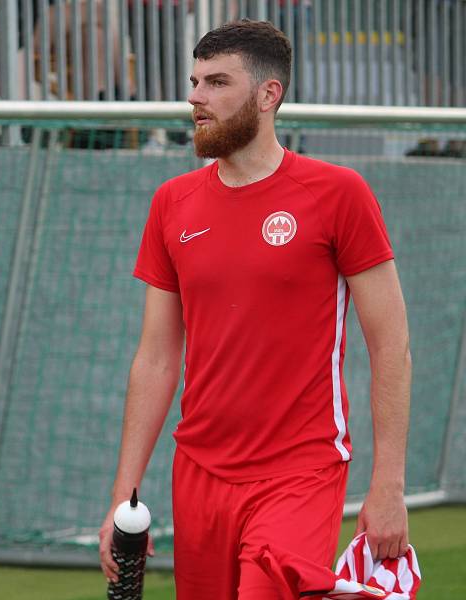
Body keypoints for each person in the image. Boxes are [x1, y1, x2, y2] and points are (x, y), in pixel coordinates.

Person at [98, 19, 411, 599]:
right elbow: (158, 357)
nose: (195, 98)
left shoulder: (339, 193)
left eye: (217, 82)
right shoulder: (171, 203)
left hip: (301, 471)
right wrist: (125, 492)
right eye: (194, 82)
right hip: (199, 474)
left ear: (270, 95)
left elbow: (389, 342)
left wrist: (388, 481)